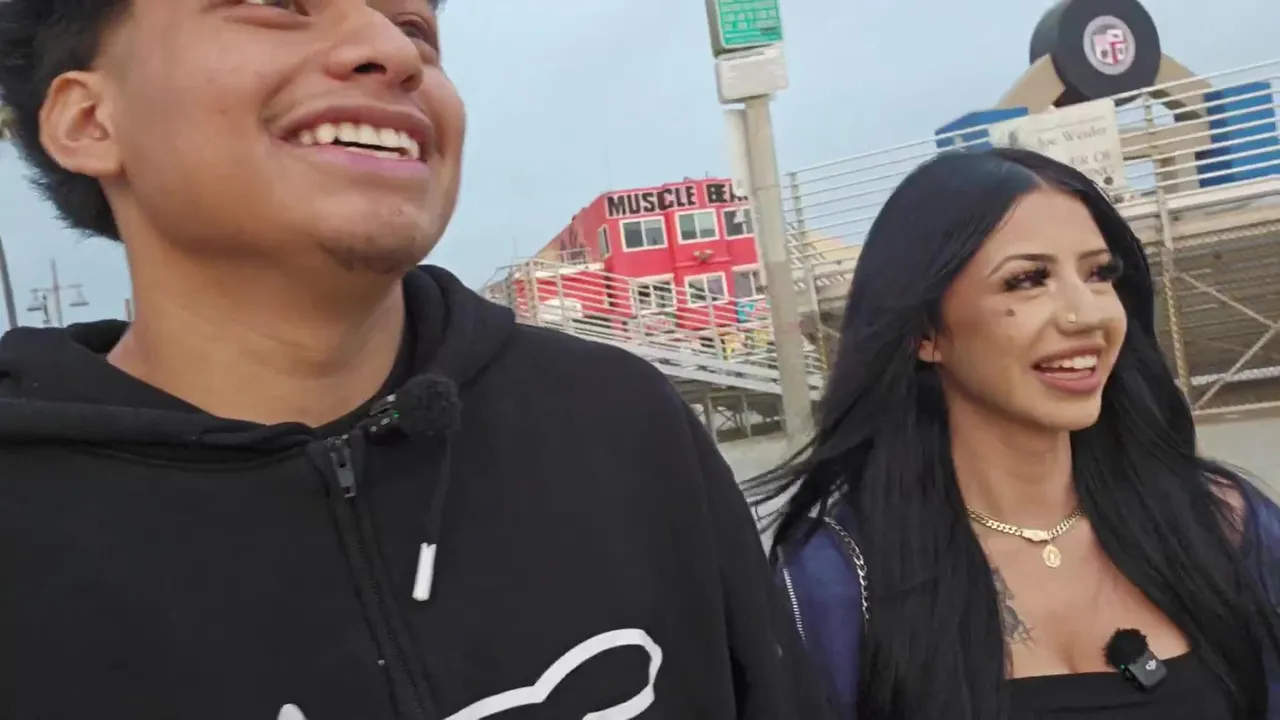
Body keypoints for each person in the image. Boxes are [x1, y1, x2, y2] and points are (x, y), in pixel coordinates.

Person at [0, 1, 829, 718]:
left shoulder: (622, 425)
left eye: (414, 27)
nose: (392, 52)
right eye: (278, 3)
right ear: (88, 120)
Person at [750, 147, 1280, 720]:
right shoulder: (835, 579)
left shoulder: (1225, 525)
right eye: (1028, 280)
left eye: (1099, 274)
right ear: (925, 333)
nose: (1087, 315)